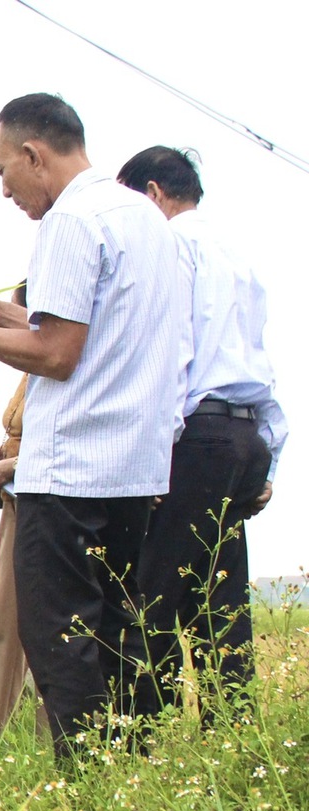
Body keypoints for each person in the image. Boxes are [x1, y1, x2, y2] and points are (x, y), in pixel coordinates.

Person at [0, 93, 190, 760]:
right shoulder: (146, 219)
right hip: (135, 467)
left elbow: (56, 354)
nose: (4, 189)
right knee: (118, 631)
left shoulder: (70, 221)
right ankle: (133, 763)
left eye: (2, 170)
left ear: (34, 155)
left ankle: (83, 778)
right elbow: (80, 331)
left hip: (71, 470)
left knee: (60, 634)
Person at [118, 146, 287, 722]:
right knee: (221, 603)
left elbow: (172, 358)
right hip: (243, 438)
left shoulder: (171, 247)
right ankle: (233, 735)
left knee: (153, 598)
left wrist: (152, 456)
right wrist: (270, 461)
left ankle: (143, 740)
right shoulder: (236, 256)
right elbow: (259, 364)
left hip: (196, 437)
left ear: (153, 195)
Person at [0, 370, 37, 733]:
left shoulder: (64, 352)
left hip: (48, 500)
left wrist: (16, 463)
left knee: (51, 626)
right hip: (15, 500)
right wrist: (1, 452)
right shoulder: (29, 364)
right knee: (3, 624)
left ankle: (58, 738)